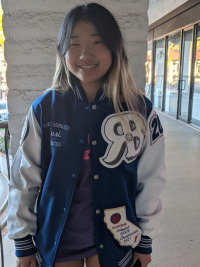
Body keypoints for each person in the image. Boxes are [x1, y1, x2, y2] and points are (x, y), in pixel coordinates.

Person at [7, 3, 166, 267]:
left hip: (115, 239)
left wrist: (145, 238)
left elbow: (151, 179)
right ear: (62, 50)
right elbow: (24, 179)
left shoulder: (140, 110)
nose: (85, 54)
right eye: (74, 44)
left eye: (97, 42)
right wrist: (22, 242)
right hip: (58, 239)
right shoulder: (44, 109)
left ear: (115, 48)